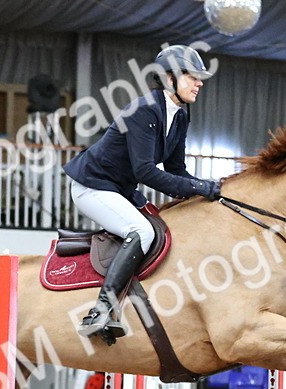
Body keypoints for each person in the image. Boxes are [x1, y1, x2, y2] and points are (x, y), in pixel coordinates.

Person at [64, 44, 223, 343]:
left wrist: (207, 190)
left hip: (121, 190)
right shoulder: (143, 110)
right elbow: (146, 172)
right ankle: (101, 309)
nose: (200, 82)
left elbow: (176, 169)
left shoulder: (180, 115)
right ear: (168, 78)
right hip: (93, 185)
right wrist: (198, 188)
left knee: (162, 228)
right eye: (192, 76)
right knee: (141, 231)